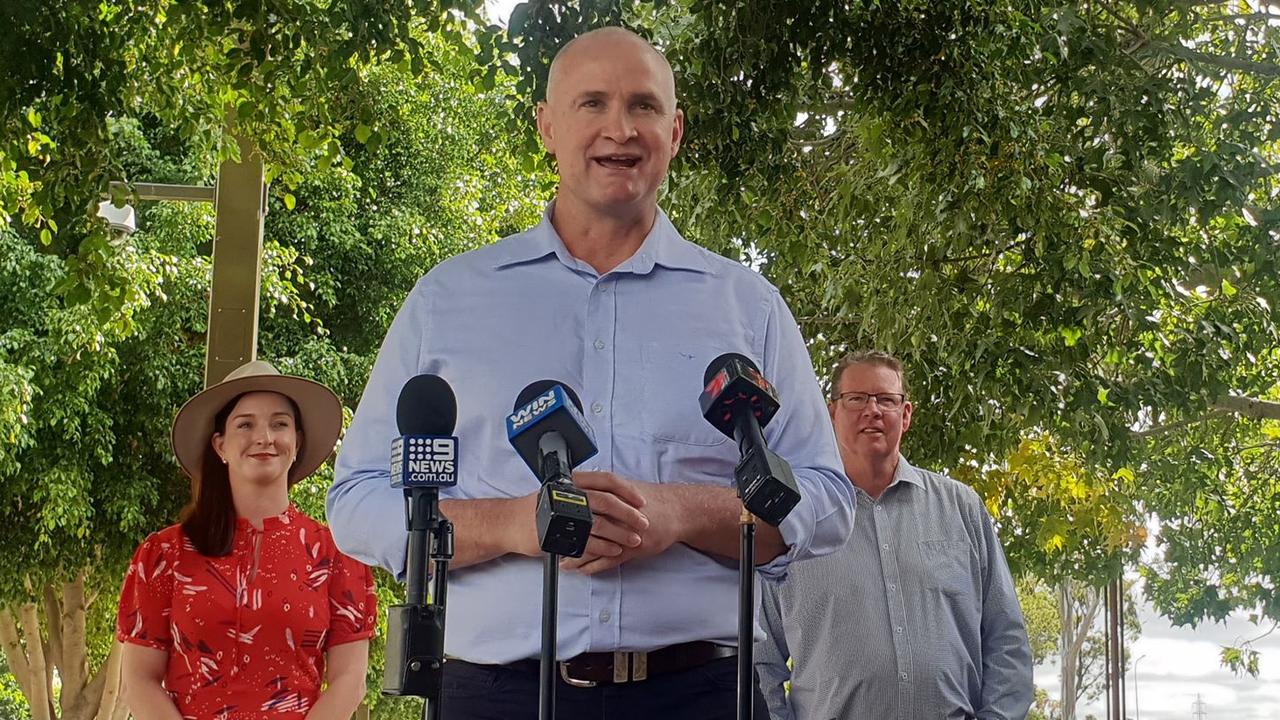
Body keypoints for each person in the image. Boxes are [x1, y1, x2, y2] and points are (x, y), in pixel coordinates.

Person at [327, 26, 853, 720]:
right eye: (592, 104)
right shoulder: (449, 300)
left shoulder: (745, 307)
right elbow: (358, 501)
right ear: (546, 125)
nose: (620, 129)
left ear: (676, 129)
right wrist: (514, 523)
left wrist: (679, 512)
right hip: (494, 693)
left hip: (701, 693)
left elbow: (826, 500)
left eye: (642, 106)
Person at [755, 350, 1034, 720]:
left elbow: (1007, 639)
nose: (873, 410)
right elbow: (761, 661)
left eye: (887, 399)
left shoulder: (961, 509)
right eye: (856, 398)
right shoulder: (795, 520)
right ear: (831, 412)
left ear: (905, 416)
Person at [118, 360, 376, 720]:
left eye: (279, 424)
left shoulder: (335, 554)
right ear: (220, 445)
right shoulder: (164, 554)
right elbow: (139, 678)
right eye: (246, 424)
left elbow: (350, 680)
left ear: (297, 442)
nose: (264, 437)